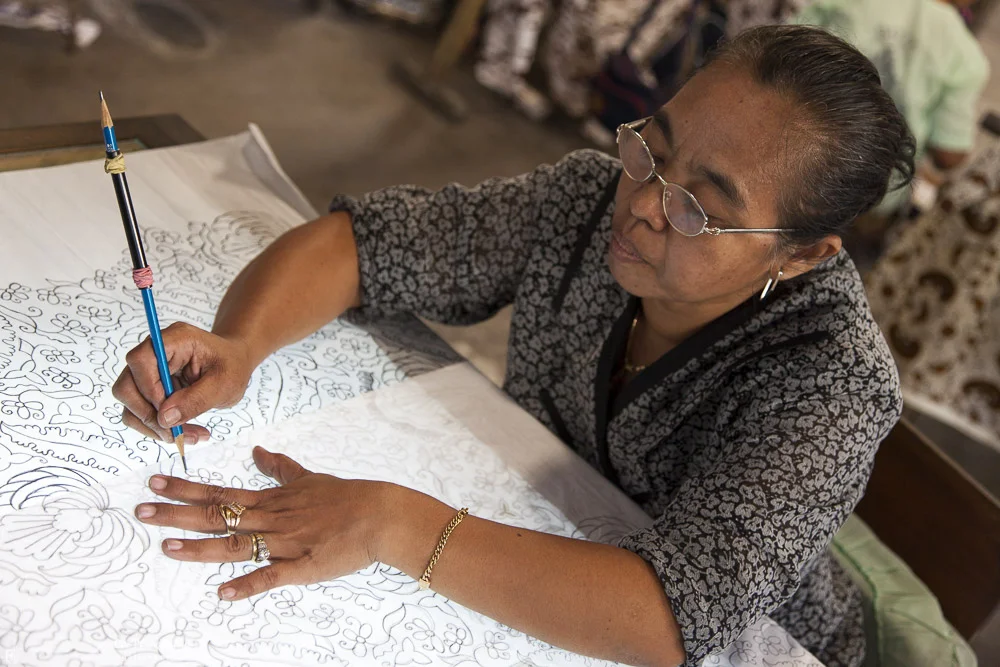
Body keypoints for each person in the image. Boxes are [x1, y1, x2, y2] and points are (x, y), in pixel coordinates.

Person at [114, 25, 915, 667]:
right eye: (652, 149)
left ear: (803, 254)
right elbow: (364, 248)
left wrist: (392, 523)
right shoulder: (585, 203)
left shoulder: (831, 382)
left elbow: (666, 617)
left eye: (700, 210)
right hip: (529, 518)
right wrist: (240, 342)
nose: (642, 204)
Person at [794, 0, 989, 215]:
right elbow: (949, 154)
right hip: (868, 199)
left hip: (793, 165)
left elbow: (780, 52)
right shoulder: (966, 56)